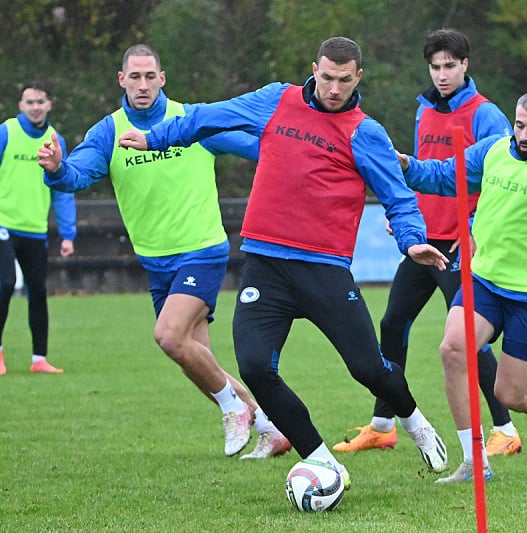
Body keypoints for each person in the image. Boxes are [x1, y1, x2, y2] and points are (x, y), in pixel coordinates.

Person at [117, 36, 450, 486]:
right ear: (314, 69)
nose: (333, 88)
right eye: (326, 77)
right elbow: (207, 117)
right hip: (265, 266)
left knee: (368, 368)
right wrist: (156, 137)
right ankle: (321, 461)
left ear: (359, 78)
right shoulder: (276, 100)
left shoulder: (365, 132)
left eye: (344, 80)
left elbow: (399, 198)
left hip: (325, 270)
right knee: (254, 367)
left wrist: (412, 242)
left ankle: (414, 421)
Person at [38, 44, 290, 460]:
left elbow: (258, 148)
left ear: (162, 78)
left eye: (149, 76)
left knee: (169, 337)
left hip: (202, 250)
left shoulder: (190, 121)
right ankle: (270, 426)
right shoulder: (108, 132)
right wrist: (57, 169)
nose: (142, 84)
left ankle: (234, 410)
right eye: (134, 77)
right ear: (121, 80)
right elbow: (78, 174)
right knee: (198, 361)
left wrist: (303, 148)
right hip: (156, 261)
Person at [332, 29, 522, 457]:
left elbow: (500, 178)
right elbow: (421, 171)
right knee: (392, 325)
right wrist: (406, 220)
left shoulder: (486, 115)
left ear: (465, 65)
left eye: (449, 66)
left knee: (470, 339)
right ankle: (383, 425)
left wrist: (473, 226)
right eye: (435, 67)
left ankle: (506, 429)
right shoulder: (423, 111)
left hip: (459, 244)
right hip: (425, 244)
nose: (441, 74)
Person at [398, 90, 527, 482]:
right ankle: (474, 462)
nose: (523, 134)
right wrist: (407, 167)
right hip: (485, 280)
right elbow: (442, 176)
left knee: (510, 395)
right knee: (453, 350)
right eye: (519, 124)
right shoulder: (493, 150)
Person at [0, 81, 75, 376]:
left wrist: (68, 233)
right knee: (4, 284)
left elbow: (63, 189)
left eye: (39, 101)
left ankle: (39, 359)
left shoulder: (55, 140)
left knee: (38, 291)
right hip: (3, 224)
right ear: (20, 106)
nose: (34, 107)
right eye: (29, 102)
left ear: (49, 104)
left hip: (35, 229)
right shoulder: (6, 132)